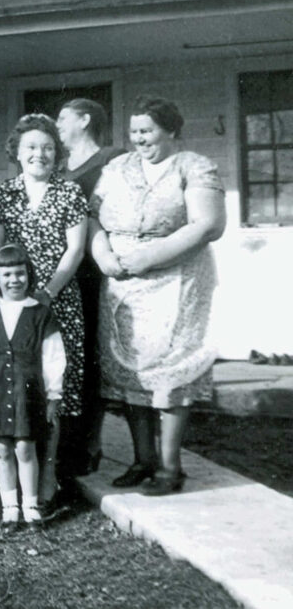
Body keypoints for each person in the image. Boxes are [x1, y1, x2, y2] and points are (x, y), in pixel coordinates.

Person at [89, 96, 226, 495]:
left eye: (147, 130)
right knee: (132, 372)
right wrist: (104, 256)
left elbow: (208, 225)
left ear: (171, 130)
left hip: (177, 279)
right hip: (122, 281)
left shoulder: (194, 167)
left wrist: (147, 257)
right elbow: (93, 216)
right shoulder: (118, 167)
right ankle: (141, 459)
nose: (139, 139)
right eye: (134, 131)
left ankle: (170, 466)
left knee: (170, 371)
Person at [0, 113, 87, 505]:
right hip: (13, 304)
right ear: (17, 151)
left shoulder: (69, 192)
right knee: (17, 388)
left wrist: (46, 292)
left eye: (47, 147)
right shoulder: (3, 195)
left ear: (57, 153)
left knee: (53, 388)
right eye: (31, 147)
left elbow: (75, 249)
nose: (39, 154)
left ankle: (48, 472)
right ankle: (14, 483)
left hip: (58, 300)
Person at [0, 244, 65, 529]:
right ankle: (10, 507)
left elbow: (53, 356)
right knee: (3, 450)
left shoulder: (40, 313)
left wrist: (53, 396)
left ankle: (30, 505)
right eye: (7, 274)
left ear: (29, 275)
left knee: (25, 448)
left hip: (28, 391)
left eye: (20, 273)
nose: (14, 280)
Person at [56, 98, 126, 476]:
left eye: (63, 118)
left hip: (93, 270)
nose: (57, 125)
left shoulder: (111, 159)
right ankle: (66, 441)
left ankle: (91, 443)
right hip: (63, 272)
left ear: (85, 120)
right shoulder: (58, 165)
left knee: (91, 357)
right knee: (66, 357)